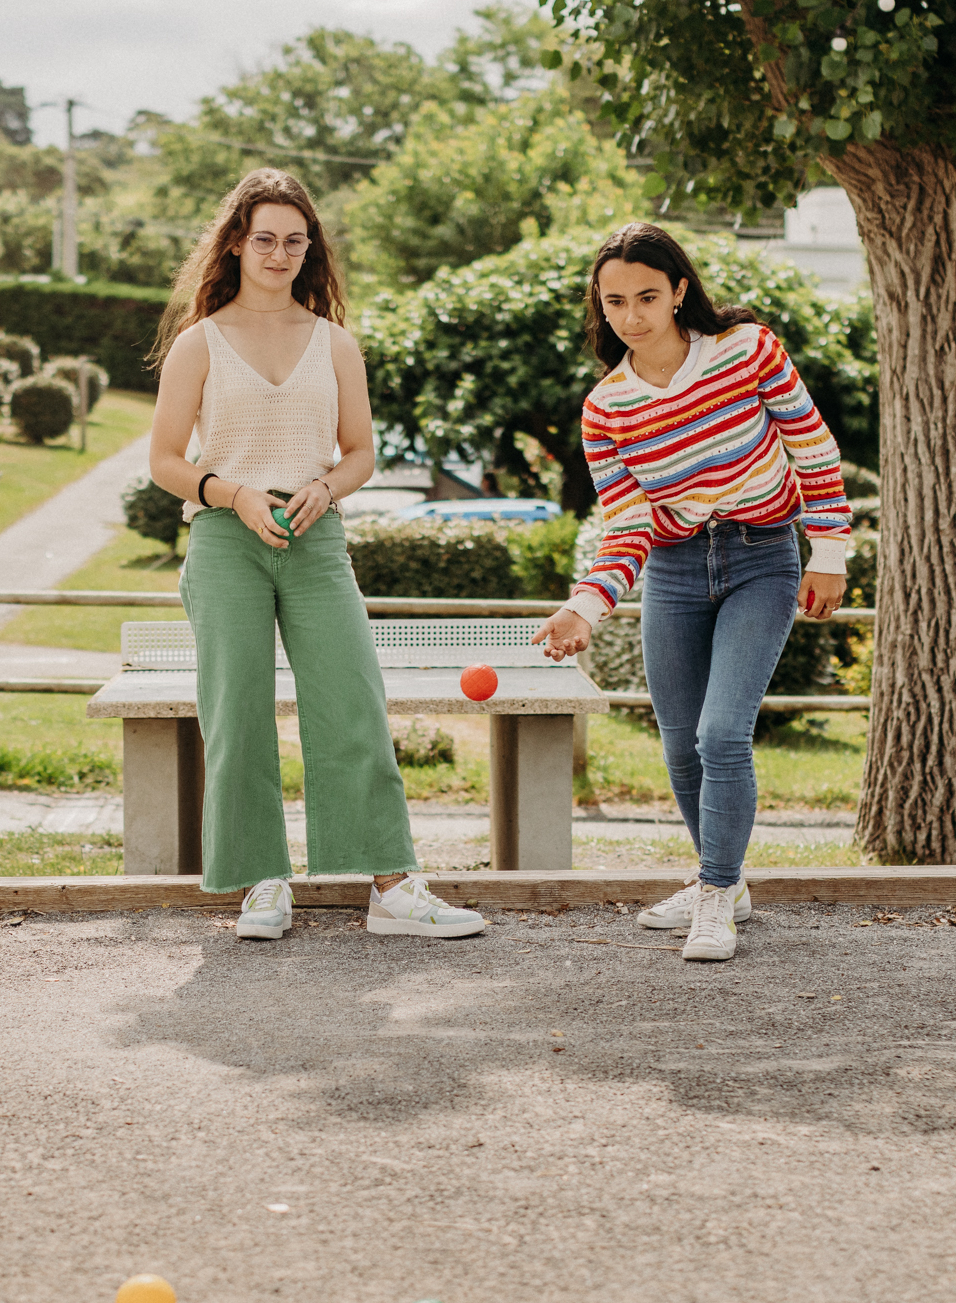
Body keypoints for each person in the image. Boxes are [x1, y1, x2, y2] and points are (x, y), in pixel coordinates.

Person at [146, 168, 484, 941]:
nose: (279, 253)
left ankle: (394, 890)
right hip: (228, 539)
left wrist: (327, 490)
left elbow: (361, 452)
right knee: (236, 713)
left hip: (316, 536)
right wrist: (231, 494)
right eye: (264, 238)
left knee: (352, 702)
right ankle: (261, 883)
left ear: (310, 249)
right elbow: (165, 460)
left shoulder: (334, 343)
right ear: (236, 243)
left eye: (294, 241)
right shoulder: (199, 344)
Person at [531, 224, 849, 962]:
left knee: (721, 734)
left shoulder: (747, 350)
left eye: (647, 296)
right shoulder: (606, 407)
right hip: (674, 571)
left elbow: (811, 444)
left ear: (678, 290)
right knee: (680, 746)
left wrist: (828, 551)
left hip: (761, 559)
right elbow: (628, 526)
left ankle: (713, 894)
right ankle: (726, 881)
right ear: (600, 309)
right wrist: (584, 606)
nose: (632, 315)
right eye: (615, 302)